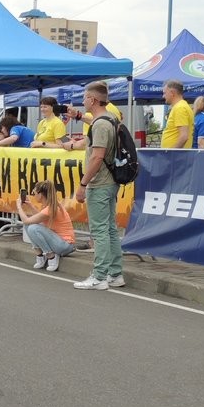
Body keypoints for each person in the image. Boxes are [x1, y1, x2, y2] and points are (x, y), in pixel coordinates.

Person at [74, 81, 124, 290]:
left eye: (85, 97)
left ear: (93, 100)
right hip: (110, 181)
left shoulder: (101, 124)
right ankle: (115, 273)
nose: (83, 101)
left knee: (100, 230)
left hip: (100, 183)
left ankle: (99, 276)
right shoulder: (110, 118)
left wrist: (83, 183)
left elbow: (97, 157)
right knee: (110, 229)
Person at [16, 181, 75, 272]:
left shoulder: (50, 208)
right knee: (29, 226)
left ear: (40, 194)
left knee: (32, 227)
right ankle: (40, 255)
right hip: (59, 241)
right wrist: (30, 205)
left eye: (34, 193)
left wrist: (19, 207)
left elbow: (26, 220)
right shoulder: (50, 205)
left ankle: (51, 256)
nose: (33, 195)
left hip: (65, 245)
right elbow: (40, 217)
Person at [161, 79, 194, 149]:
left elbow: (184, 136)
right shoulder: (181, 106)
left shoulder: (180, 108)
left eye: (164, 93)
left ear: (172, 93)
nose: (163, 96)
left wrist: (172, 153)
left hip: (175, 157)